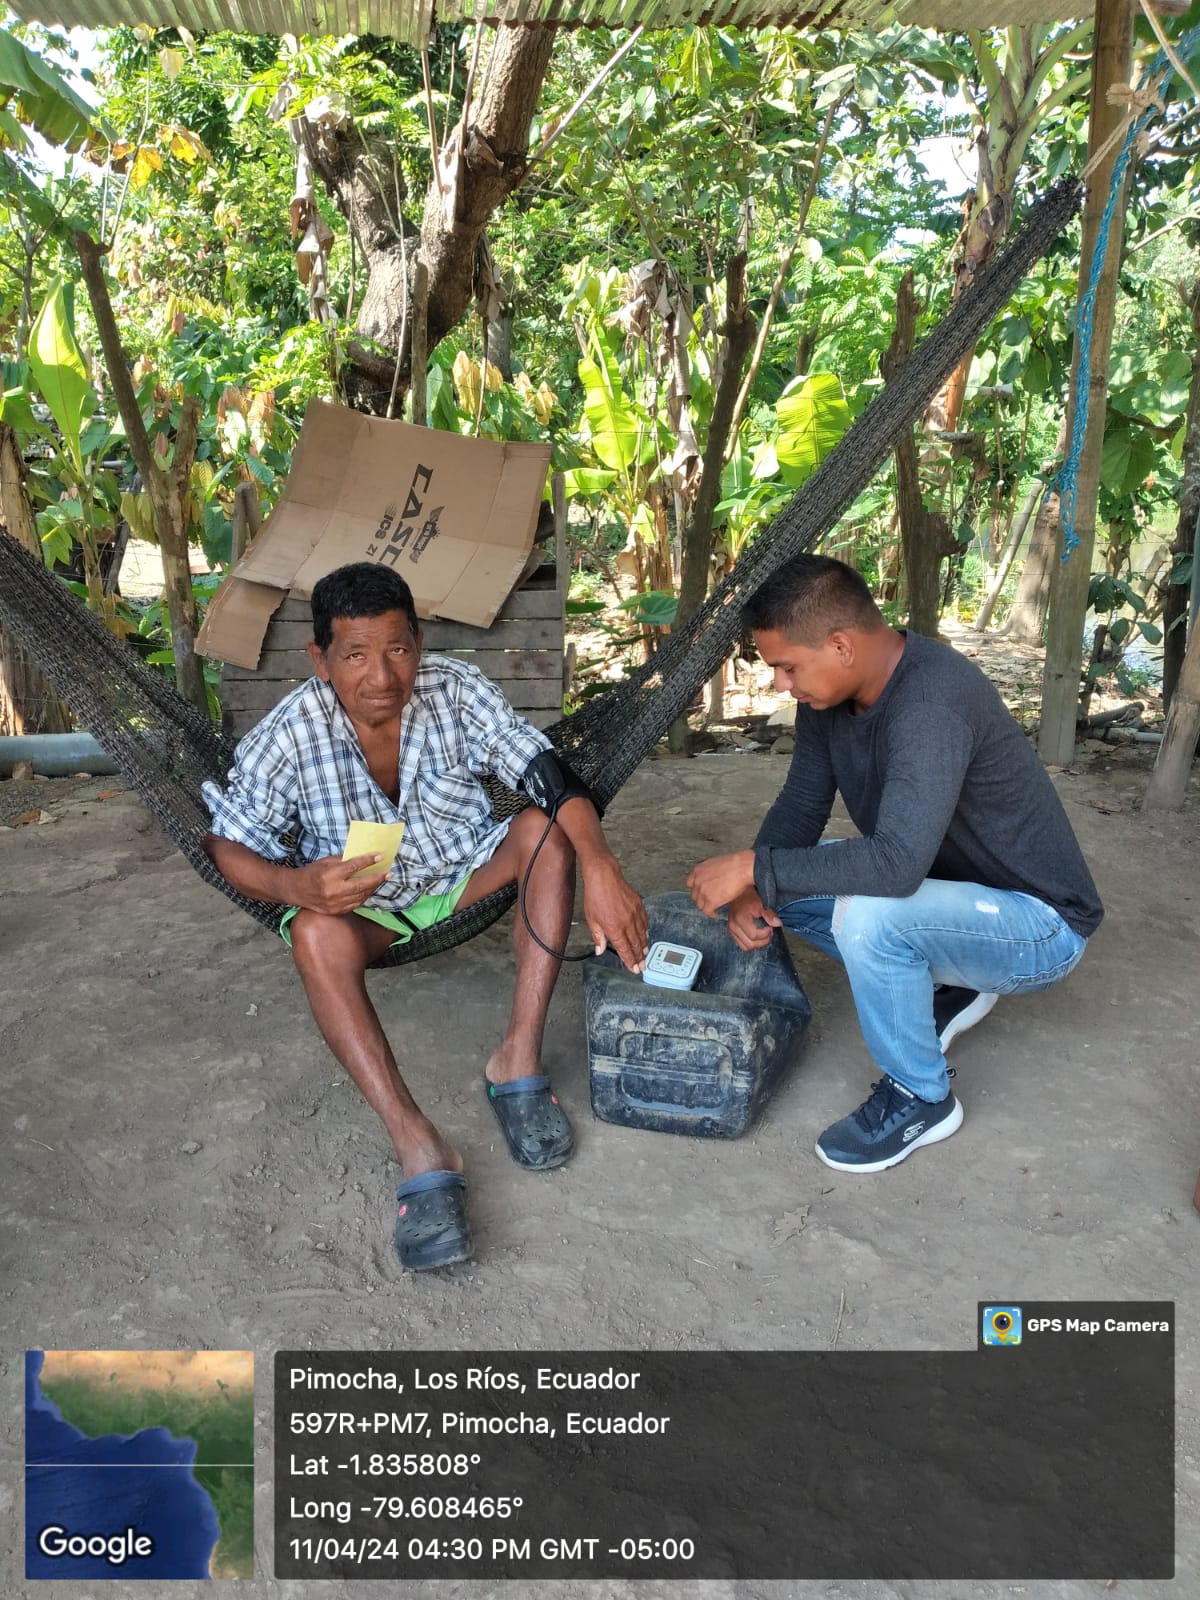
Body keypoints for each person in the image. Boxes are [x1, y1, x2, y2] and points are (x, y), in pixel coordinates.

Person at [202, 562, 647, 1269]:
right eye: (355, 654)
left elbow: (545, 774)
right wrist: (295, 885)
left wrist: (602, 864)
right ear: (320, 659)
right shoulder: (290, 734)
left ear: (419, 643)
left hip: (464, 873)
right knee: (313, 935)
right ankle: (418, 1141)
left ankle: (518, 1061)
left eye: (398, 649)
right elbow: (225, 844)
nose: (382, 676)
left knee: (544, 829)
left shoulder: (456, 690)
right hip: (368, 912)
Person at [686, 553, 1102, 1174]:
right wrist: (756, 888)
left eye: (787, 667)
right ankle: (951, 984)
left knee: (870, 916)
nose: (779, 684)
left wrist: (753, 868)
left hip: (1039, 927)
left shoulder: (931, 703)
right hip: (951, 896)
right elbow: (801, 805)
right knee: (788, 885)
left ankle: (922, 1097)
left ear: (840, 646)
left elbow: (897, 867)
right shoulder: (829, 700)